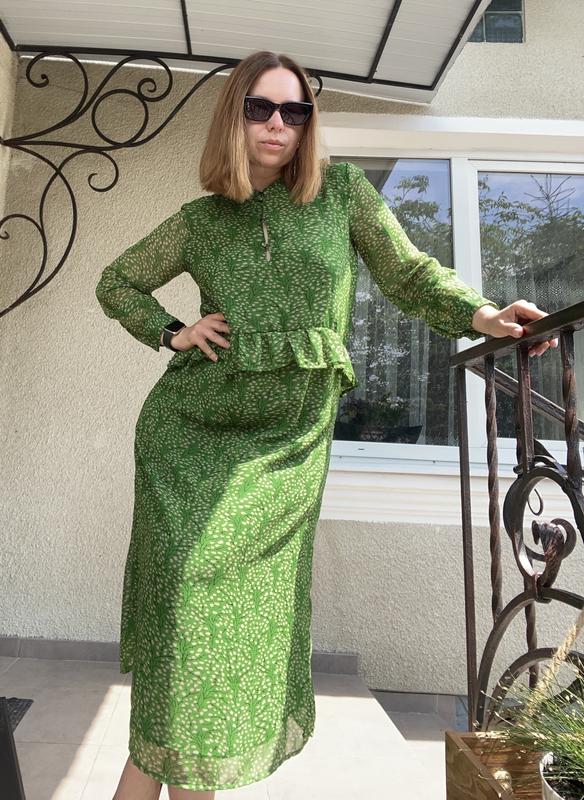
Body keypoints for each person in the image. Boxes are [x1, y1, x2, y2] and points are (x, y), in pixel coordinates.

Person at [95, 49, 558, 800]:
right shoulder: (202, 222)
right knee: (183, 605)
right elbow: (116, 281)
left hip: (286, 445)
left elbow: (408, 272)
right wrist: (172, 330)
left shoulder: (340, 194)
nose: (278, 123)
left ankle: (176, 771)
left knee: (226, 625)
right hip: (191, 434)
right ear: (235, 117)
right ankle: (179, 773)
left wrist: (481, 314)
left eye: (295, 110)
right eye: (260, 107)